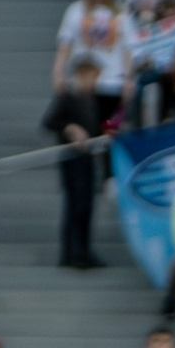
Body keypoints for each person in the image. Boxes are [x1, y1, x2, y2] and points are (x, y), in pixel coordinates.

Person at [44, 56, 107, 269]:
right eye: (92, 77)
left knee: (87, 205)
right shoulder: (67, 97)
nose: (94, 83)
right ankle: (71, 252)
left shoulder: (93, 99)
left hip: (88, 158)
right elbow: (49, 122)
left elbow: (99, 126)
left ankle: (84, 250)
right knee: (75, 204)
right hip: (71, 159)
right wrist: (69, 128)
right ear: (81, 75)